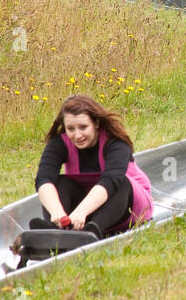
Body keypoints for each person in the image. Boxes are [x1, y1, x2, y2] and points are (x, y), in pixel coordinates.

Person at [32, 94, 154, 237]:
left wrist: (81, 211)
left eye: (83, 127)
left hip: (126, 206)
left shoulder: (115, 143)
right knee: (60, 182)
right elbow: (44, 179)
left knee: (122, 182)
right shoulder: (60, 144)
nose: (77, 135)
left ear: (96, 123)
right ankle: (56, 231)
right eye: (71, 129)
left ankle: (91, 232)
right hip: (84, 212)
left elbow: (111, 180)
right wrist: (56, 211)